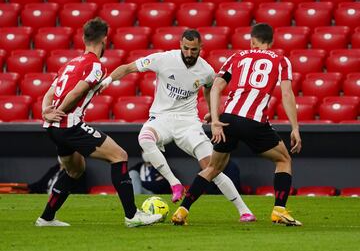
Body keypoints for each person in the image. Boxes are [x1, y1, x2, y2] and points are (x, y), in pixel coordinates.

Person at [100, 29, 256, 222]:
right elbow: (127, 67)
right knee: (144, 139)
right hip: (162, 118)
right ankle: (175, 183)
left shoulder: (206, 70)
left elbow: (209, 91)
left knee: (212, 167)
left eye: (194, 50)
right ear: (180, 45)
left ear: (201, 48)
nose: (189, 53)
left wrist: (211, 113)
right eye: (186, 48)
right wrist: (107, 80)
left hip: (188, 122)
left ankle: (244, 211)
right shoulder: (163, 59)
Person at [35, 17, 162, 227]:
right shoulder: (96, 66)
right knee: (119, 156)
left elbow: (49, 92)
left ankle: (46, 217)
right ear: (105, 39)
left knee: (75, 170)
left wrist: (46, 113)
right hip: (70, 125)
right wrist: (60, 111)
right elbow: (78, 91)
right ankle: (132, 216)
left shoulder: (70, 64)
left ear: (84, 38)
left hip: (53, 127)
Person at [171, 23, 302, 226]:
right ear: (271, 41)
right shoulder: (281, 61)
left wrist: (215, 119)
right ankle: (279, 210)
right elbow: (286, 94)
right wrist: (295, 127)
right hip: (255, 122)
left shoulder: (237, 57)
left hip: (228, 119)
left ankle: (182, 210)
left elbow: (216, 87)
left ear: (252, 41)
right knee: (284, 160)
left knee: (213, 167)